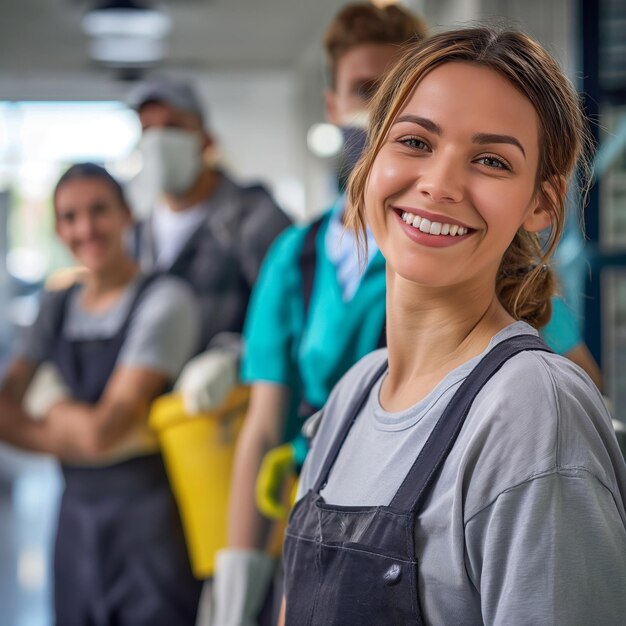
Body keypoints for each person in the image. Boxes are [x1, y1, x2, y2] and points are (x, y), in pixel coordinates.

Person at [280, 27, 626, 625]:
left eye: (491, 160)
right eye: (415, 141)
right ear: (370, 158)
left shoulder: (531, 411)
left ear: (541, 203)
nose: (439, 184)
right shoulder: (351, 398)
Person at [206, 6, 429, 626]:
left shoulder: (456, 242)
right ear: (332, 105)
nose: (380, 110)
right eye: (365, 91)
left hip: (431, 529)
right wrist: (237, 581)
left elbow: (564, 372)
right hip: (319, 519)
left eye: (399, 91)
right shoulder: (297, 257)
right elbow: (263, 426)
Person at [0, 163, 203, 625]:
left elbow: (102, 432)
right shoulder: (55, 305)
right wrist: (85, 432)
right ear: (57, 228)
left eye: (99, 211)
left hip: (149, 529)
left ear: (127, 215)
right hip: (73, 522)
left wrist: (48, 405)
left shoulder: (165, 300)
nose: (85, 228)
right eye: (70, 217)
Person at [128, 77, 291, 408]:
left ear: (204, 140)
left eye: (173, 126)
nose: (158, 140)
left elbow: (294, 314)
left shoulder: (255, 219)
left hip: (231, 416)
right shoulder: (135, 233)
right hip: (154, 419)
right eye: (148, 129)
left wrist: (234, 358)